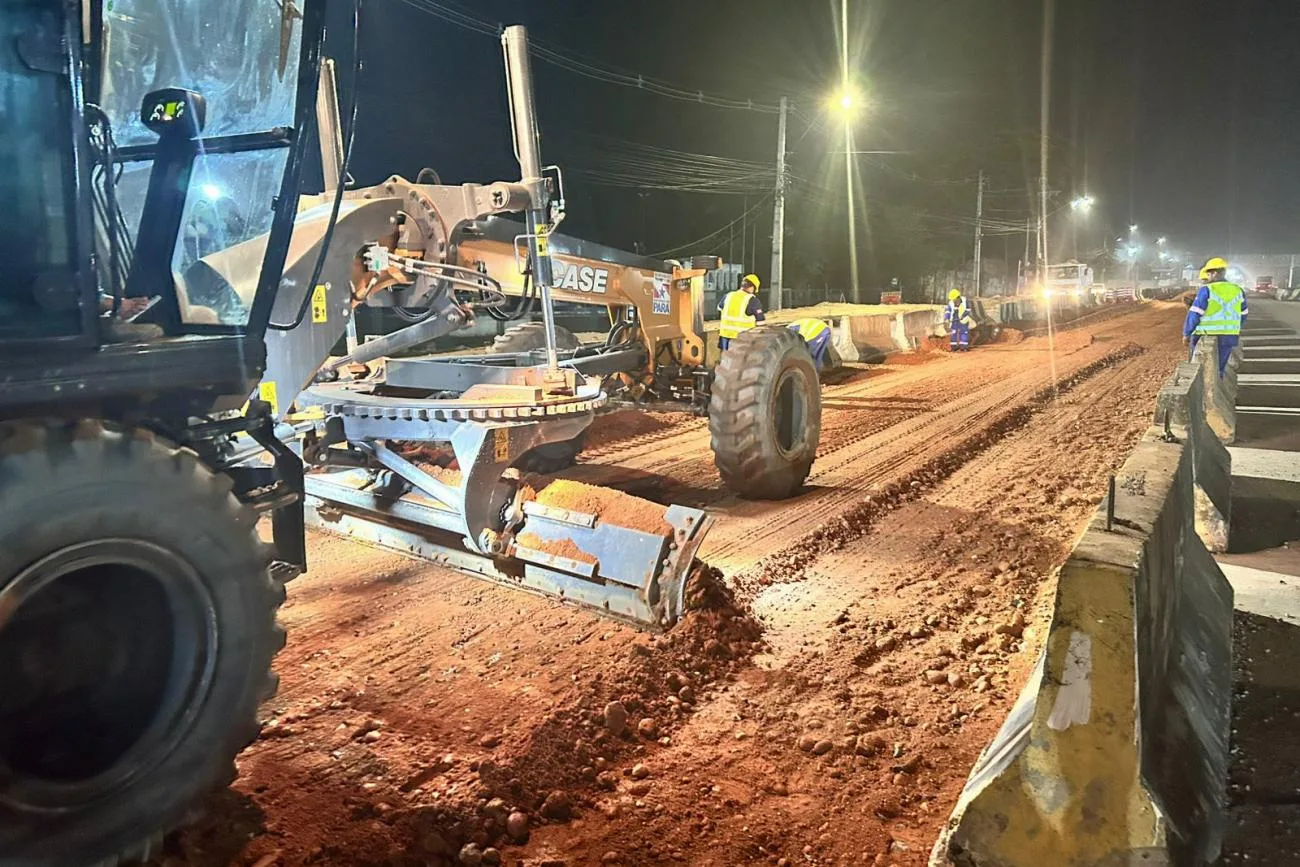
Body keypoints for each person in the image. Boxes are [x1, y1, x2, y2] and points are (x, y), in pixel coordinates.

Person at [1184, 256, 1247, 376]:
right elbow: (1243, 314)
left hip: (1205, 334)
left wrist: (1187, 333)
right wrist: (1233, 327)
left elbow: (1195, 314)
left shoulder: (1207, 289)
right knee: (1220, 369)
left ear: (1213, 273)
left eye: (1208, 274)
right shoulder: (1237, 290)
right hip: (1229, 335)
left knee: (1199, 369)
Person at [718, 273, 765, 350]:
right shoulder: (752, 300)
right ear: (752, 287)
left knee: (726, 360)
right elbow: (761, 322)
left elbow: (719, 309)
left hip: (725, 336)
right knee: (741, 361)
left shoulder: (728, 296)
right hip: (743, 338)